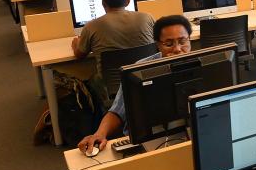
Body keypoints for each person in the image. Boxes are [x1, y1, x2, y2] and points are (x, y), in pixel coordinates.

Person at [77, 15, 192, 154]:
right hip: (150, 140)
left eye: (183, 41)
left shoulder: (206, 62)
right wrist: (99, 133)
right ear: (158, 45)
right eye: (169, 44)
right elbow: (118, 111)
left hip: (190, 135)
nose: (178, 49)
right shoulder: (140, 70)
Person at [70, 0, 155, 86]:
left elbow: (80, 55)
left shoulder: (91, 26)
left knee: (88, 80)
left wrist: (76, 43)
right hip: (147, 80)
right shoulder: (147, 18)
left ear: (103, 3)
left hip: (112, 85)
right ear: (128, 2)